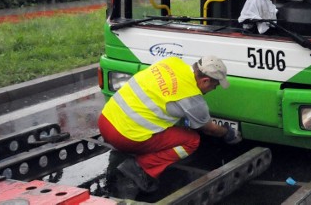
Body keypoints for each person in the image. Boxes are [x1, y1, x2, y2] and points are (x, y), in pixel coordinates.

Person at [98, 55, 242, 192]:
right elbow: (209, 129)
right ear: (205, 81)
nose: (213, 90)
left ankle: (131, 153)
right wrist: (228, 133)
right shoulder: (193, 98)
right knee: (192, 141)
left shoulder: (172, 63)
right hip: (125, 137)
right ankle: (140, 168)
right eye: (214, 86)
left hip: (105, 121)